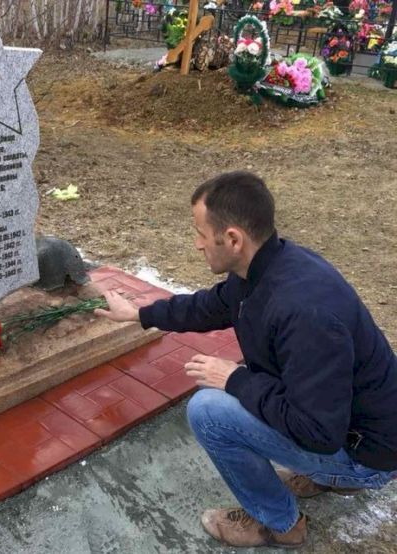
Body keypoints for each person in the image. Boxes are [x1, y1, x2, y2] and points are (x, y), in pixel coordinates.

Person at [94, 171, 397, 549]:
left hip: (365, 454)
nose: (197, 244)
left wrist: (235, 380)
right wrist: (140, 314)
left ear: (233, 239)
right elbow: (210, 306)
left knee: (209, 411)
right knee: (245, 395)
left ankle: (280, 523)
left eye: (202, 234)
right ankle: (326, 479)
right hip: (352, 425)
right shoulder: (267, 267)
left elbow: (319, 433)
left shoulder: (304, 314)